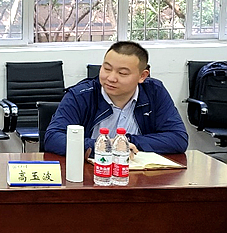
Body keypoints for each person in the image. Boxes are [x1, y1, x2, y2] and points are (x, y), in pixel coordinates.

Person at [44, 41, 188, 155]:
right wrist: (103, 145)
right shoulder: (81, 95)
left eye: (123, 73)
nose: (111, 78)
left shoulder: (154, 92)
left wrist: (125, 142)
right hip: (91, 171)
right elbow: (53, 138)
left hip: (138, 173)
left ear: (142, 76)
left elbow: (178, 138)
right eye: (107, 69)